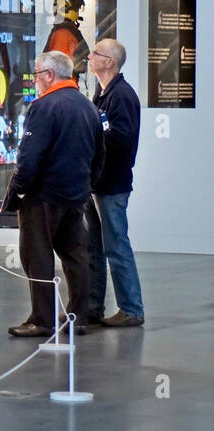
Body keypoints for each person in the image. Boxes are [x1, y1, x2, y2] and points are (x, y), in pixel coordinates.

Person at [4, 50, 104, 337]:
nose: (35, 80)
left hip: (43, 197)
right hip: (76, 196)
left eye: (36, 74)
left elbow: (29, 157)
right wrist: (85, 185)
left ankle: (42, 319)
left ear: (48, 75)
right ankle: (78, 317)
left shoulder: (43, 107)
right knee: (76, 256)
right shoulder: (89, 108)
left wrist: (20, 191)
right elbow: (100, 156)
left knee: (38, 256)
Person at [84, 39, 145, 327]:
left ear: (109, 62)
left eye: (95, 53)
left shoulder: (121, 96)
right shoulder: (103, 93)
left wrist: (92, 136)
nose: (89, 56)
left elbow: (122, 139)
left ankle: (131, 309)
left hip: (112, 185)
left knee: (116, 246)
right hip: (98, 183)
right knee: (93, 246)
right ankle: (93, 306)